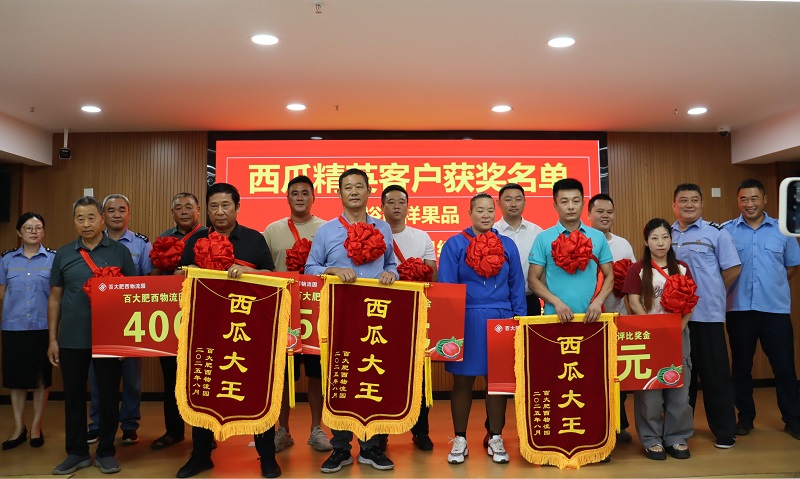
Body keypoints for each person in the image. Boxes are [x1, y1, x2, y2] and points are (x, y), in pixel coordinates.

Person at [175, 183, 280, 478]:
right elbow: (178, 277)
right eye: (214, 206)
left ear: (237, 207)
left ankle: (267, 456)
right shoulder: (197, 239)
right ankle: (201, 455)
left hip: (247, 330)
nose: (220, 212)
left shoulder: (254, 239)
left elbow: (272, 276)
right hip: (206, 330)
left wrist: (249, 272)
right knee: (204, 386)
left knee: (256, 388)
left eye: (226, 206)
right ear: (207, 210)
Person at [305, 168, 397, 473]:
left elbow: (392, 264)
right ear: (339, 193)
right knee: (340, 378)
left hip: (376, 316)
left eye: (359, 186)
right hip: (340, 314)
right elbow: (310, 268)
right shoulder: (326, 231)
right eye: (348, 187)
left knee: (373, 375)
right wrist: (332, 270)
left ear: (369, 191)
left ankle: (371, 447)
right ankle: (341, 447)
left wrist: (390, 273)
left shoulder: (383, 228)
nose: (354, 191)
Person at [47, 196, 137, 475]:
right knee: (73, 397)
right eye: (80, 218)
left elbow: (132, 295)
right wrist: (53, 339)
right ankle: (76, 452)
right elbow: (55, 298)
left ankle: (106, 451)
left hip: (109, 339)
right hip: (72, 339)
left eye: (91, 217)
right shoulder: (63, 254)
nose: (85, 224)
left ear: (102, 219)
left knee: (109, 396)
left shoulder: (120, 252)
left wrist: (126, 342)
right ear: (74, 221)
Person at [439, 193, 526, 465]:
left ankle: (495, 436)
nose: (486, 215)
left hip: (501, 319)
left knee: (497, 383)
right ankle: (460, 439)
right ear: (470, 213)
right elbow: (447, 287)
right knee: (462, 382)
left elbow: (517, 286)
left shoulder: (507, 245)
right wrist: (449, 325)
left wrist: (519, 321)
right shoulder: (454, 244)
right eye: (480, 210)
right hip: (465, 319)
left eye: (490, 210)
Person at [723, 179, 800, 440]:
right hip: (739, 309)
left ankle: (793, 419)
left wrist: (772, 284)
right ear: (738, 201)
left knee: (785, 367)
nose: (749, 204)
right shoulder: (727, 231)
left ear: (765, 200)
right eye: (744, 199)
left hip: (775, 310)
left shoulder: (783, 230)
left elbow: (791, 266)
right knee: (741, 367)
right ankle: (745, 417)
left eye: (754, 198)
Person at [263, 175, 332, 453]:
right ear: (287, 198)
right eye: (295, 193)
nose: (300, 197)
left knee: (317, 374)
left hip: (316, 311)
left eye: (305, 193)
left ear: (314, 198)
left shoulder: (327, 229)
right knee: (282, 374)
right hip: (284, 310)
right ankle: (282, 430)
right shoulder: (272, 230)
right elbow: (266, 268)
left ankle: (317, 429)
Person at [671, 183, 740, 449]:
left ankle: (725, 431)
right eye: (683, 200)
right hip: (676, 319)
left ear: (702, 204)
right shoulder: (666, 234)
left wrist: (714, 291)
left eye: (694, 200)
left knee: (715, 376)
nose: (689, 204)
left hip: (707, 315)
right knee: (681, 378)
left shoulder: (716, 233)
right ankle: (680, 430)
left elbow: (732, 269)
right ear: (674, 205)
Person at [623, 218, 695, 460]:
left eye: (665, 237)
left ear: (671, 239)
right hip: (648, 336)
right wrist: (654, 329)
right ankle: (651, 439)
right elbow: (633, 302)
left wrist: (676, 329)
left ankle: (676, 437)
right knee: (649, 391)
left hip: (677, 334)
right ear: (646, 241)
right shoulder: (637, 269)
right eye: (654, 238)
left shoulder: (682, 268)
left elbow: (690, 303)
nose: (660, 242)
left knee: (679, 389)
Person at [85, 194, 152, 446]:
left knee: (132, 377)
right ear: (103, 216)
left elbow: (148, 280)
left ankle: (130, 424)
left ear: (128, 213)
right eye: (110, 210)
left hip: (132, 319)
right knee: (98, 377)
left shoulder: (141, 244)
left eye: (121, 210)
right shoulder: (92, 243)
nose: (116, 214)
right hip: (100, 320)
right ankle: (97, 424)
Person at [380, 184, 437, 451]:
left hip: (415, 312)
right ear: (382, 207)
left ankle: (420, 430)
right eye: (391, 202)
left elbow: (432, 274)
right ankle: (380, 434)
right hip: (381, 313)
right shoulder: (374, 235)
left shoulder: (421, 236)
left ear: (408, 206)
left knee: (419, 374)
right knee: (381, 373)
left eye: (401, 201)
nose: (396, 206)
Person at [150, 192, 206, 450]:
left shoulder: (208, 236)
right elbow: (153, 275)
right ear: (172, 212)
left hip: (201, 315)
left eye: (188, 207)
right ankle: (173, 431)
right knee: (171, 377)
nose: (183, 211)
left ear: (198, 210)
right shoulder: (164, 237)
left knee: (201, 377)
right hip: (169, 318)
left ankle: (204, 436)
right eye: (178, 208)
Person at [0, 213, 55, 450]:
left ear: (43, 231)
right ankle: (18, 427)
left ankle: (35, 427)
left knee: (41, 380)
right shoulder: (6, 259)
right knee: (16, 381)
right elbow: (2, 293)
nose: (33, 231)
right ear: (19, 232)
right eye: (28, 227)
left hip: (43, 327)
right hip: (14, 327)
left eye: (38, 227)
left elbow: (56, 295)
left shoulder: (53, 259)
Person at [528, 179, 614, 324]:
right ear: (555, 206)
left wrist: (598, 302)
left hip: (591, 318)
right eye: (564, 202)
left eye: (576, 201)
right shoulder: (543, 238)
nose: (570, 207)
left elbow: (609, 275)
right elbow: (532, 280)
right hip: (555, 317)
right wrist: (556, 303)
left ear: (583, 204)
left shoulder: (598, 237)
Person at [588, 193, 636, 443]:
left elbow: (635, 282)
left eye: (609, 212)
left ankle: (619, 424)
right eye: (600, 212)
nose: (605, 216)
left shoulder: (623, 244)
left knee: (617, 373)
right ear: (589, 214)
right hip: (587, 320)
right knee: (592, 376)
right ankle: (596, 426)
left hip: (617, 317)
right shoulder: (581, 241)